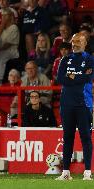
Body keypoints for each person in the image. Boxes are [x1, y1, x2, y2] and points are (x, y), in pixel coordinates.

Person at [56, 33, 94, 180]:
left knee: (86, 137)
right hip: (66, 104)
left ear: (85, 43)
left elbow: (88, 77)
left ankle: (87, 172)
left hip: (84, 104)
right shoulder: (65, 59)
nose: (75, 44)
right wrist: (78, 77)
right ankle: (65, 172)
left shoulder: (90, 59)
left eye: (78, 41)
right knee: (68, 137)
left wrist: (71, 77)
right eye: (73, 41)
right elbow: (60, 79)